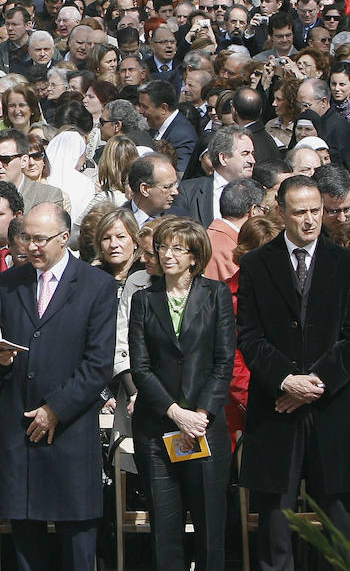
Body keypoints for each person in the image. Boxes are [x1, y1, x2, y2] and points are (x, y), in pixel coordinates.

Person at [0, 202, 117, 571]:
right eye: (26, 238)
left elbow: (98, 363)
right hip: (17, 432)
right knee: (25, 542)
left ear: (65, 238)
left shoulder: (96, 286)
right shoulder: (0, 288)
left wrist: (56, 408)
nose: (31, 247)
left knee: (78, 542)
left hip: (68, 431)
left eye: (41, 239)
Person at [236, 175, 350, 571]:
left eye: (315, 211)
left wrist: (314, 383)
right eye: (299, 212)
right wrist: (286, 380)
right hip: (276, 410)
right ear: (280, 212)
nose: (309, 220)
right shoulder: (255, 265)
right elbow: (250, 336)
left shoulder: (344, 263)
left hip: (332, 409)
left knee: (339, 521)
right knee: (275, 525)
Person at [128, 217, 235, 571]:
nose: (168, 255)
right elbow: (140, 367)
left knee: (210, 528)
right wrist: (176, 413)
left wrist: (200, 414)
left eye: (178, 248)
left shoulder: (216, 294)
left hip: (204, 426)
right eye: (163, 247)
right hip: (157, 427)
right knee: (164, 525)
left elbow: (224, 361)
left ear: (194, 256)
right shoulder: (144, 299)